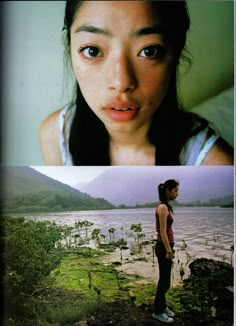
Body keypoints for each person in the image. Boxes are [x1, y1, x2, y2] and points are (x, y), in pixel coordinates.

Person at [39, 1, 233, 166]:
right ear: (70, 47)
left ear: (176, 51)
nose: (121, 82)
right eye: (92, 50)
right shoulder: (55, 136)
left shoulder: (219, 169)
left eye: (149, 51)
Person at [152, 179, 179, 323]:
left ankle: (162, 306)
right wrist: (169, 251)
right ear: (167, 190)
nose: (177, 193)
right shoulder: (162, 207)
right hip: (163, 247)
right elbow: (162, 232)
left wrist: (170, 249)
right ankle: (157, 311)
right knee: (164, 281)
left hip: (166, 247)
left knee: (165, 280)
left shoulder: (166, 206)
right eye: (175, 190)